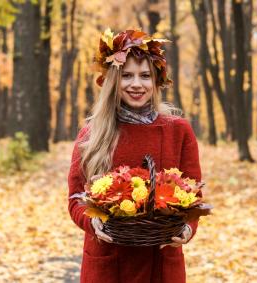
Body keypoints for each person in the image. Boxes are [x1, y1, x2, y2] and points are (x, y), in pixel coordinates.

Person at [68, 28, 202, 283]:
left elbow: (194, 197)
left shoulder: (178, 131)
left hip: (161, 263)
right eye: (126, 76)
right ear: (112, 82)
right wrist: (92, 223)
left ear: (156, 81)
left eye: (145, 76)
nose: (136, 84)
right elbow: (75, 198)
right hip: (108, 264)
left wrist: (187, 230)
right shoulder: (93, 134)